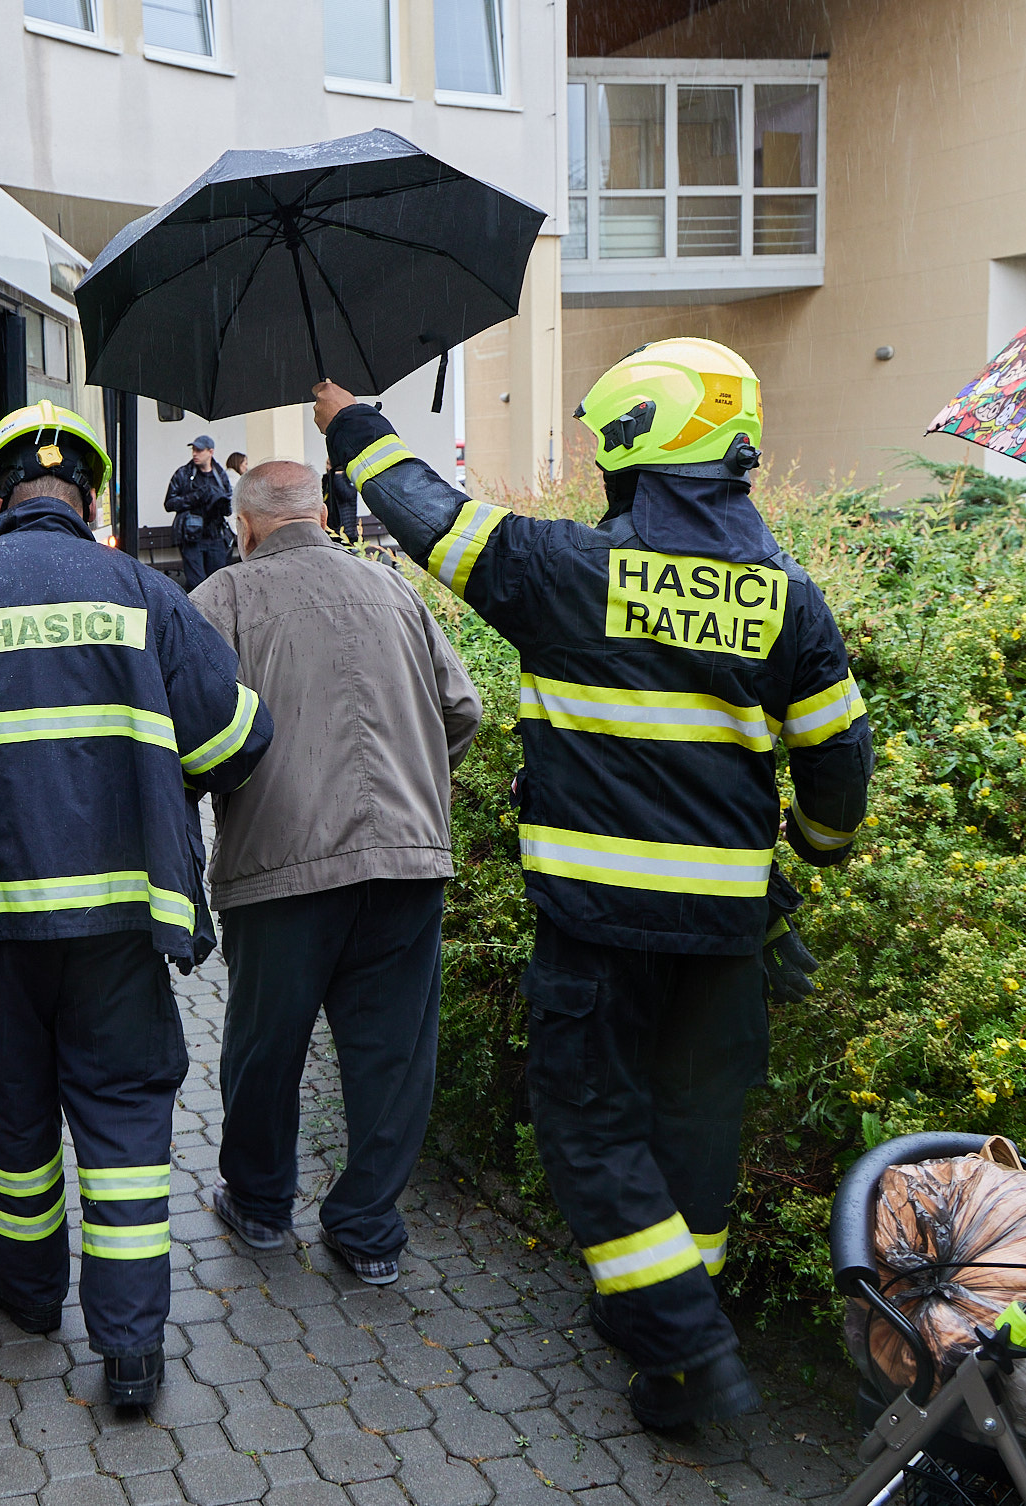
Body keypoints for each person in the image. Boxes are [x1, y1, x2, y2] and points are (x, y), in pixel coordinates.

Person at [311, 337, 873, 1431]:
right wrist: (812, 842)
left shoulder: (566, 575)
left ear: (633, 455)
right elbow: (837, 773)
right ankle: (664, 1363)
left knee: (589, 1124)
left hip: (596, 930)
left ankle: (680, 1338)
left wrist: (352, 423)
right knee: (694, 1131)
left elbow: (433, 519)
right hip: (726, 939)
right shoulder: (788, 602)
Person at [0, 400, 272, 1410]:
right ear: (91, 496)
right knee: (124, 1132)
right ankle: (130, 1354)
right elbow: (233, 746)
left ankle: (27, 1301)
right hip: (122, 930)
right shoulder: (145, 593)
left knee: (10, 1119)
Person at [190, 461, 481, 1285]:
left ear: (244, 526)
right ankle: (367, 1229)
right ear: (322, 513)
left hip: (280, 864)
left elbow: (190, 736)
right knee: (393, 1052)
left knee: (264, 1046)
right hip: (409, 860)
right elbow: (464, 710)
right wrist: (415, 788)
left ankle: (258, 1204)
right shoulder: (392, 588)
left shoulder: (221, 601)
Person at [164, 433, 234, 589]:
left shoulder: (220, 475)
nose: (195, 454)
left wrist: (220, 502)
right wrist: (194, 497)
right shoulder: (183, 473)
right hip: (192, 537)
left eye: (199, 450)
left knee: (218, 583)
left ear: (210, 452)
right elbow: (169, 504)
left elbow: (229, 506)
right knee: (197, 584)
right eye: (193, 450)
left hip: (216, 536)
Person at [323, 458, 360, 542]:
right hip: (331, 531)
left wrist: (338, 475)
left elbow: (346, 495)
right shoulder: (328, 481)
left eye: (330, 464)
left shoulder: (347, 479)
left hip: (346, 532)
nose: (327, 467)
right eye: (327, 464)